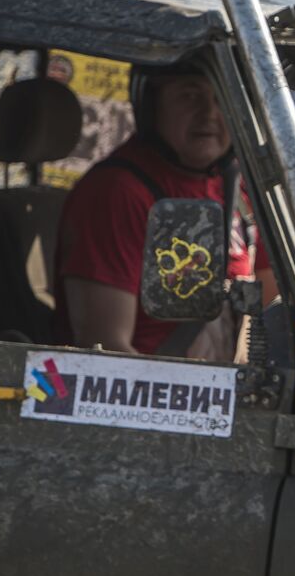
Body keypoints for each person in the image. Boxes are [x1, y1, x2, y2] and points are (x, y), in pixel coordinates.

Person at [54, 64, 256, 360]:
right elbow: (105, 349)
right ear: (150, 105)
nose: (209, 114)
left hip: (229, 390)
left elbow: (273, 310)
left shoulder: (239, 189)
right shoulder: (118, 192)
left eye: (221, 98)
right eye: (190, 96)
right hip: (153, 397)